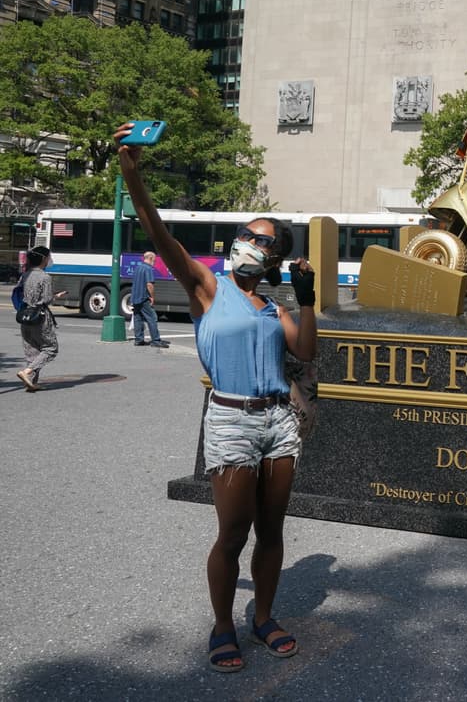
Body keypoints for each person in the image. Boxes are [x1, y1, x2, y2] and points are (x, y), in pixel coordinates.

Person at [115, 122, 317, 673]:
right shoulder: (208, 287)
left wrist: (307, 300)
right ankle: (223, 623)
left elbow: (308, 350)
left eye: (260, 239)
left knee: (273, 529)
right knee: (232, 533)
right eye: (244, 234)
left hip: (278, 421)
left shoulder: (274, 307)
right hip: (230, 421)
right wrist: (133, 173)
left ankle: (265, 616)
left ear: (275, 257)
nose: (246, 243)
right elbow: (159, 235)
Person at [16, 246, 68, 391]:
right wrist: (56, 296)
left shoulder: (25, 275)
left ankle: (30, 383)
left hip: (25, 315)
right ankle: (27, 372)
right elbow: (46, 299)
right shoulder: (45, 277)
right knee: (51, 348)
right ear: (44, 259)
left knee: (32, 349)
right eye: (49, 257)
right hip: (39, 317)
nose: (50, 260)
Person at [130, 251, 169, 347]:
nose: (154, 262)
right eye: (154, 260)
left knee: (138, 318)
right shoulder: (148, 269)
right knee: (152, 318)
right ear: (151, 258)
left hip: (135, 298)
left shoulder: (138, 268)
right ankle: (156, 340)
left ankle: (139, 340)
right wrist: (152, 297)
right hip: (144, 298)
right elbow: (149, 284)